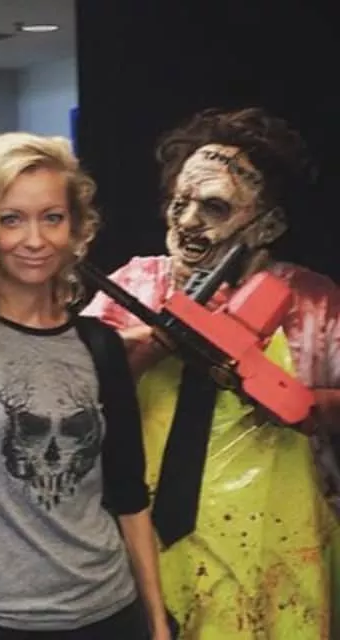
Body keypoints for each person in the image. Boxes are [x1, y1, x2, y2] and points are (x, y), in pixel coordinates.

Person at [0, 132, 173, 640]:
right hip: (5, 620)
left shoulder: (99, 346)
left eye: (52, 217)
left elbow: (129, 496)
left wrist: (156, 622)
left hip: (113, 611)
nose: (34, 239)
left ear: (75, 228)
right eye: (11, 219)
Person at [83, 107, 340, 639]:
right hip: (141, 541)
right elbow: (73, 391)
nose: (187, 221)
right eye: (180, 203)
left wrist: (305, 404)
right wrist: (154, 342)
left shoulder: (314, 303)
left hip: (280, 551)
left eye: (214, 206)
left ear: (269, 224)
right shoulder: (133, 284)